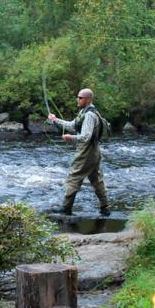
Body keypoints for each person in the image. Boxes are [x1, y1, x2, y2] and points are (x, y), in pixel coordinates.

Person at [47, 88, 110, 216]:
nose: (78, 99)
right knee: (96, 180)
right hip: (94, 151)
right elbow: (71, 125)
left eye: (80, 97)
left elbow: (86, 136)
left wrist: (71, 138)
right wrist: (55, 120)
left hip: (87, 152)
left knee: (74, 177)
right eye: (78, 97)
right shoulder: (85, 112)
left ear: (87, 99)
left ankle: (66, 208)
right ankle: (105, 207)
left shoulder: (89, 115)